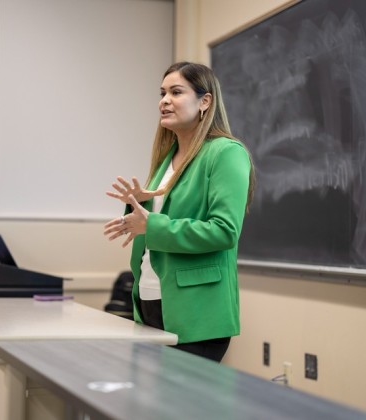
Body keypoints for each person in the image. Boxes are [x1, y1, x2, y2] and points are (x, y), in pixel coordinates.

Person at [103, 61, 255, 362]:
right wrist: (139, 205)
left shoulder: (226, 153)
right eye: (162, 93)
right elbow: (161, 220)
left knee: (183, 408)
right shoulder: (167, 159)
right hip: (150, 298)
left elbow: (224, 230)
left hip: (195, 310)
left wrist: (152, 225)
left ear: (205, 101)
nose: (164, 101)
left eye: (176, 92)